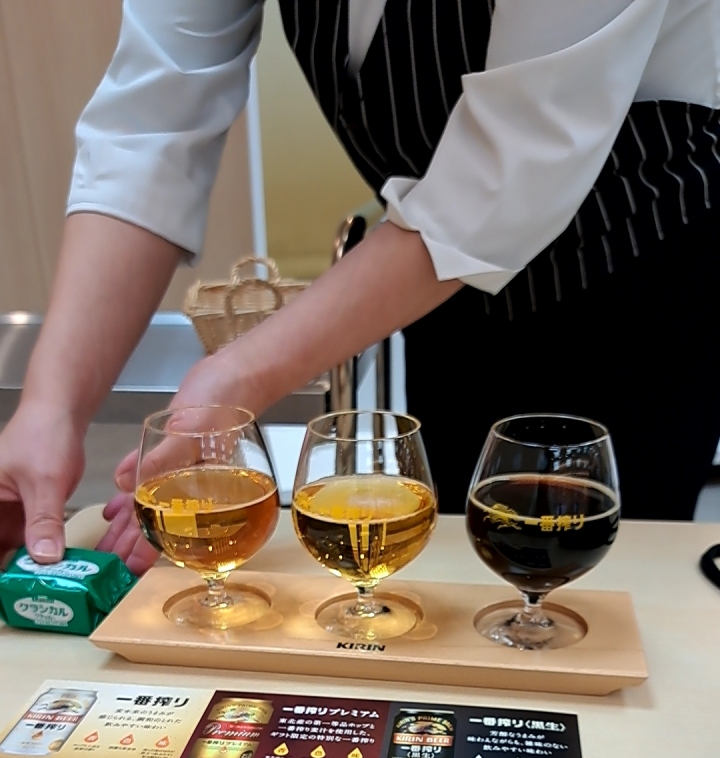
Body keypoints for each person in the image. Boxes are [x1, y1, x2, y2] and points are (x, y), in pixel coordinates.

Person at [1, 0, 720, 575]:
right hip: (432, 279)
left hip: (637, 257)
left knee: (609, 584)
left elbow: (509, 170)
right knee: (461, 571)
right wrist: (51, 407)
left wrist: (238, 374)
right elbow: (153, 118)